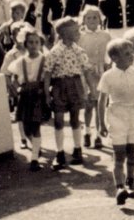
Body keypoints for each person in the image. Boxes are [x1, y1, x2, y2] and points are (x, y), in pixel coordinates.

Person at [97, 38, 134, 205]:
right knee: (119, 156)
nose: (131, 57)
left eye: (131, 53)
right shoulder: (107, 76)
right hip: (116, 116)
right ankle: (119, 187)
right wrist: (101, 123)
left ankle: (130, 182)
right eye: (126, 54)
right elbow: (102, 101)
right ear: (114, 58)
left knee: (132, 153)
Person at [43, 17, 97, 170]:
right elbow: (47, 73)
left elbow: (87, 71)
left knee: (75, 119)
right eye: (75, 31)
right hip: (59, 85)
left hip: (75, 85)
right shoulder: (55, 52)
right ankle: (60, 153)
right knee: (59, 120)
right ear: (64, 34)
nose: (78, 33)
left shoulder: (79, 51)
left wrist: (92, 90)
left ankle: (77, 149)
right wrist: (47, 93)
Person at [8, 28, 48, 171]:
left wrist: (46, 91)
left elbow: (48, 79)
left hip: (38, 95)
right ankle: (36, 147)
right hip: (25, 96)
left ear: (40, 44)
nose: (33, 45)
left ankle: (35, 158)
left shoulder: (45, 60)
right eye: (30, 42)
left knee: (36, 126)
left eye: (36, 42)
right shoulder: (20, 62)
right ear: (25, 44)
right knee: (26, 128)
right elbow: (15, 79)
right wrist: (13, 88)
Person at [77, 6, 112, 149]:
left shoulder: (106, 35)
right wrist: (86, 68)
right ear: (83, 20)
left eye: (95, 18)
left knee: (100, 104)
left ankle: (98, 135)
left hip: (101, 72)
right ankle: (87, 131)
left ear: (100, 19)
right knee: (88, 105)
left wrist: (107, 66)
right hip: (86, 73)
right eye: (88, 18)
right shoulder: (80, 36)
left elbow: (109, 54)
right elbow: (78, 55)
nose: (92, 21)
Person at [0, 21, 32, 150]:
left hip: (33, 86)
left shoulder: (33, 49)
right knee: (21, 114)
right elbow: (5, 73)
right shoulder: (11, 54)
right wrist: (11, 89)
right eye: (15, 34)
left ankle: (33, 137)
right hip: (18, 87)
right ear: (12, 37)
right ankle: (23, 138)